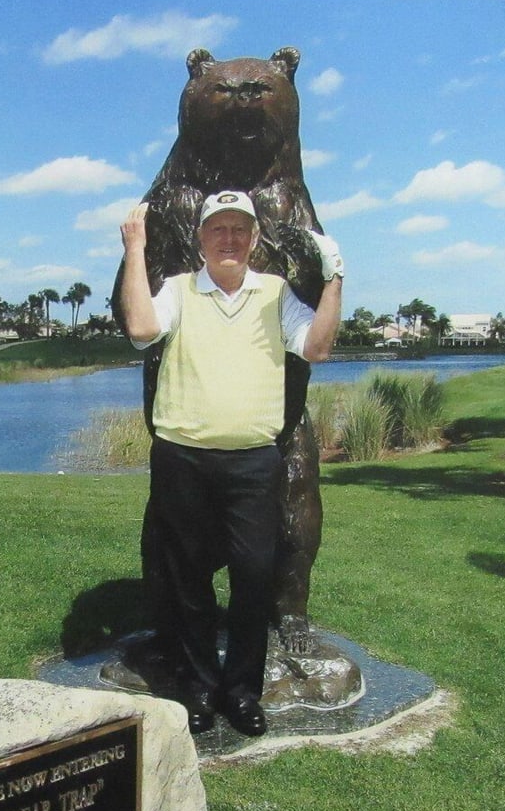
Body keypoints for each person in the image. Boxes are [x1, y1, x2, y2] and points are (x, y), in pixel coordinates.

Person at [119, 190, 343, 737]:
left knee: (252, 577)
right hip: (182, 457)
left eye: (239, 229)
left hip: (252, 463)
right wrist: (135, 248)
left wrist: (335, 277)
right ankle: (198, 688)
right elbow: (142, 330)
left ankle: (241, 692)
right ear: (201, 239)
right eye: (217, 229)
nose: (228, 238)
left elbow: (316, 348)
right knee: (189, 578)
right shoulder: (176, 290)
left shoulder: (276, 294)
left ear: (253, 239)